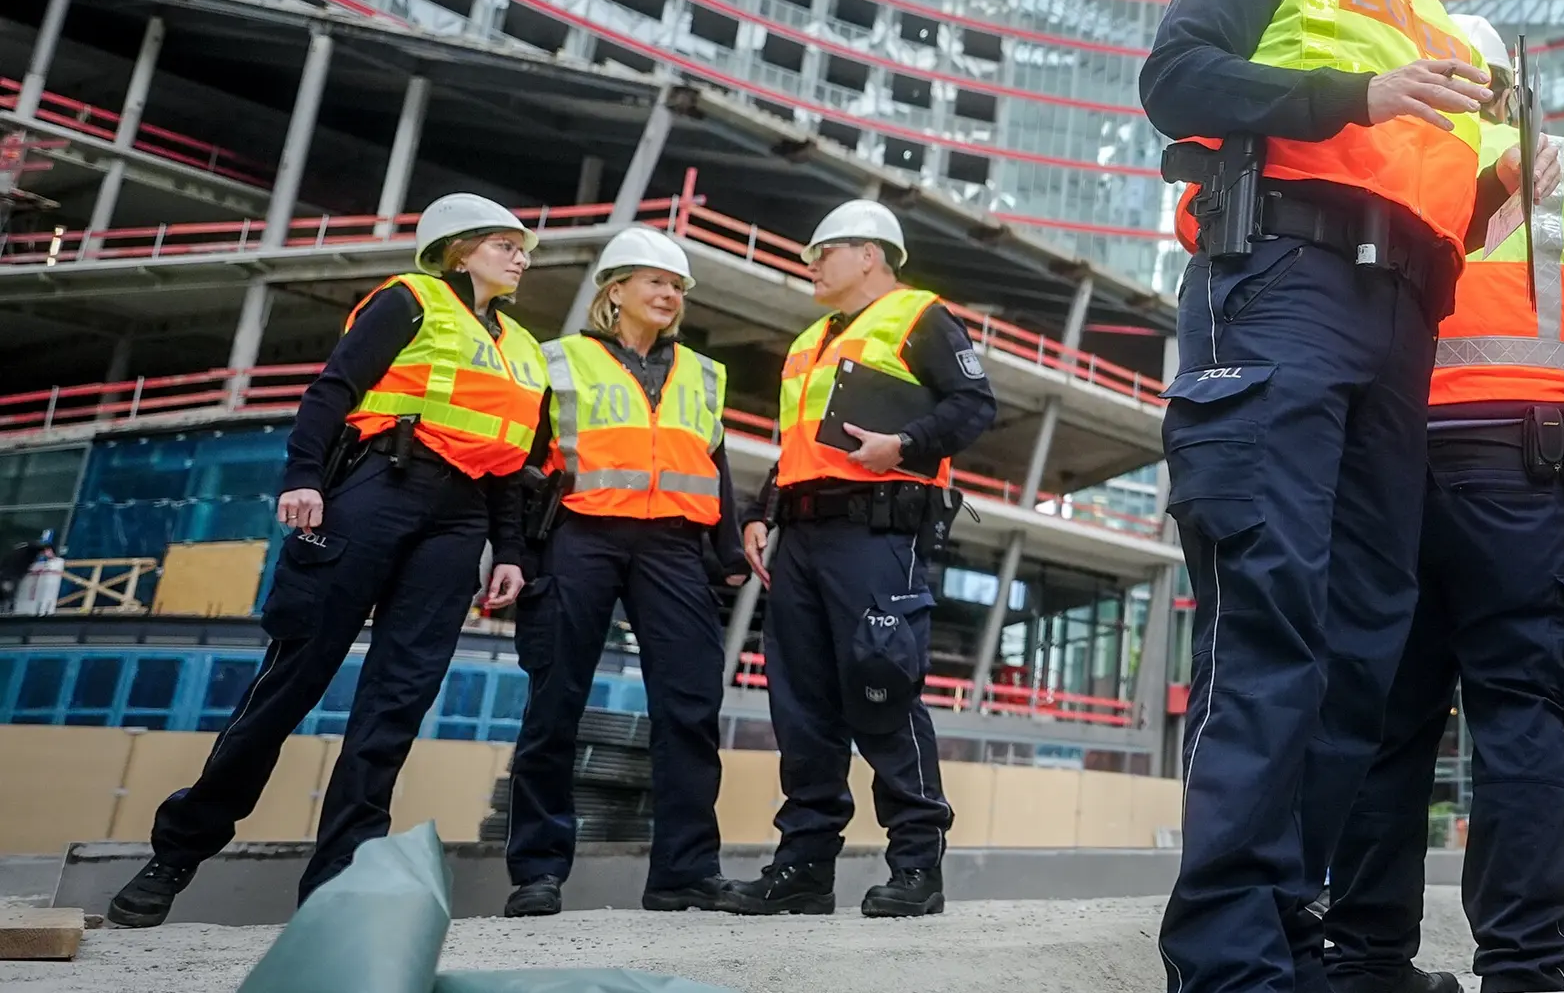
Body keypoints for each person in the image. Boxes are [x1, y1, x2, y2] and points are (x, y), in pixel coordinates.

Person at [1140, 0, 1496, 993]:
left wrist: (1511, 179)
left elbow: (1451, 180)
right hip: (1283, 288)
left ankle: (1299, 942)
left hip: (1399, 321)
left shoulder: (1440, 22)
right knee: (1275, 610)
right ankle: (1230, 957)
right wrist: (1356, 90)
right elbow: (1176, 77)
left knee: (1364, 637)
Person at [1322, 16, 1564, 993]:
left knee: (1389, 725)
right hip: (1521, 479)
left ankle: (1366, 965)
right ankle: (1525, 969)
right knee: (1522, 714)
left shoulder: (1375, 167)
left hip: (1389, 477)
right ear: (1502, 89)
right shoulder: (1554, 166)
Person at [108, 195, 547, 925]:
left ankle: (338, 888)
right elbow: (334, 388)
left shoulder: (524, 348)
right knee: (291, 682)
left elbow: (510, 463)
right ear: (458, 249)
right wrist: (303, 478)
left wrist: (509, 550)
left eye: (522, 245)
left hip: (459, 519)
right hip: (380, 486)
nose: (520, 255)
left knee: (396, 703)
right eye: (503, 242)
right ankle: (176, 854)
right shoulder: (409, 301)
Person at [719, 201, 995, 919]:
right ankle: (804, 869)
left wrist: (901, 449)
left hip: (878, 538)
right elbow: (799, 448)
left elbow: (974, 405)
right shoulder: (810, 340)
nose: (811, 264)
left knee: (883, 686)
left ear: (870, 255)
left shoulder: (921, 317)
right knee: (802, 706)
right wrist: (761, 512)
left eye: (823, 252)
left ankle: (916, 865)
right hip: (803, 538)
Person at [503, 226, 749, 917]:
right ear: (615, 292)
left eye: (677, 287)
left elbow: (717, 465)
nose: (670, 295)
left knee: (691, 707)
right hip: (579, 536)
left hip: (672, 547)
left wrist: (727, 555)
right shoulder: (558, 361)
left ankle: (684, 873)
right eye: (656, 283)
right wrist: (516, 556)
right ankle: (538, 872)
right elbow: (522, 469)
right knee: (556, 701)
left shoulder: (703, 373)